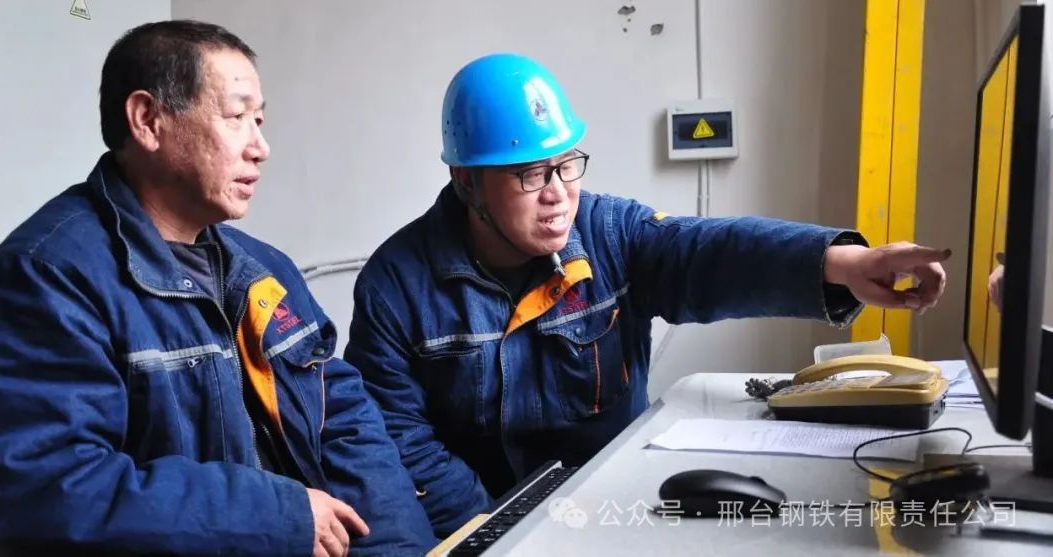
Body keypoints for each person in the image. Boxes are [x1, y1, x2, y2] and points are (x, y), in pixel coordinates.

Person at [344, 53, 950, 536]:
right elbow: (399, 440)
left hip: (616, 508)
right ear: (467, 182)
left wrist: (845, 263)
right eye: (529, 173)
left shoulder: (609, 235)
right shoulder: (396, 287)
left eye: (567, 164)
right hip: (488, 520)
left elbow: (708, 252)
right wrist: (501, 529)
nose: (557, 192)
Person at [0, 21, 436, 557]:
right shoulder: (44, 279)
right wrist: (277, 516)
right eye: (237, 117)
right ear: (148, 120)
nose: (260, 147)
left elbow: (347, 425)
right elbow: (49, 491)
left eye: (259, 121)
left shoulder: (266, 270)